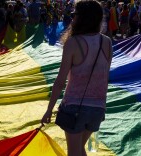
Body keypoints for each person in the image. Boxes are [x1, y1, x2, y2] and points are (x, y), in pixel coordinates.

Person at [41, 1, 113, 156]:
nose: (72, 18)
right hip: (97, 108)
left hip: (75, 107)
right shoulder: (106, 42)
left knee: (74, 152)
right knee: (80, 149)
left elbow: (60, 81)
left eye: (74, 15)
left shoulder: (73, 43)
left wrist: (49, 110)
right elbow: (104, 78)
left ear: (82, 18)